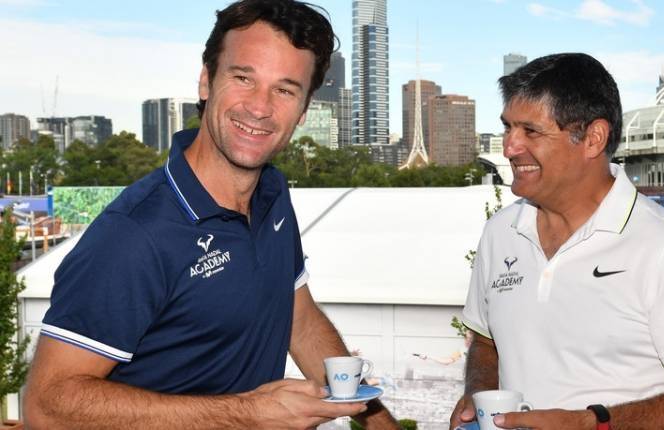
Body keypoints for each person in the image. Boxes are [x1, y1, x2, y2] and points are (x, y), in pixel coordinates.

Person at [23, 1, 398, 428]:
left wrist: (377, 420)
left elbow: (299, 318)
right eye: (243, 78)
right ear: (206, 81)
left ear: (304, 110)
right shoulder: (135, 233)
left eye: (285, 89)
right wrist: (246, 415)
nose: (260, 107)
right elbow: (46, 406)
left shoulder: (271, 193)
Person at [449, 53, 664, 430]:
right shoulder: (500, 232)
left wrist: (593, 423)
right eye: (507, 128)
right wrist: (479, 391)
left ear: (592, 138)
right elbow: (486, 342)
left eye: (530, 131)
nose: (509, 147)